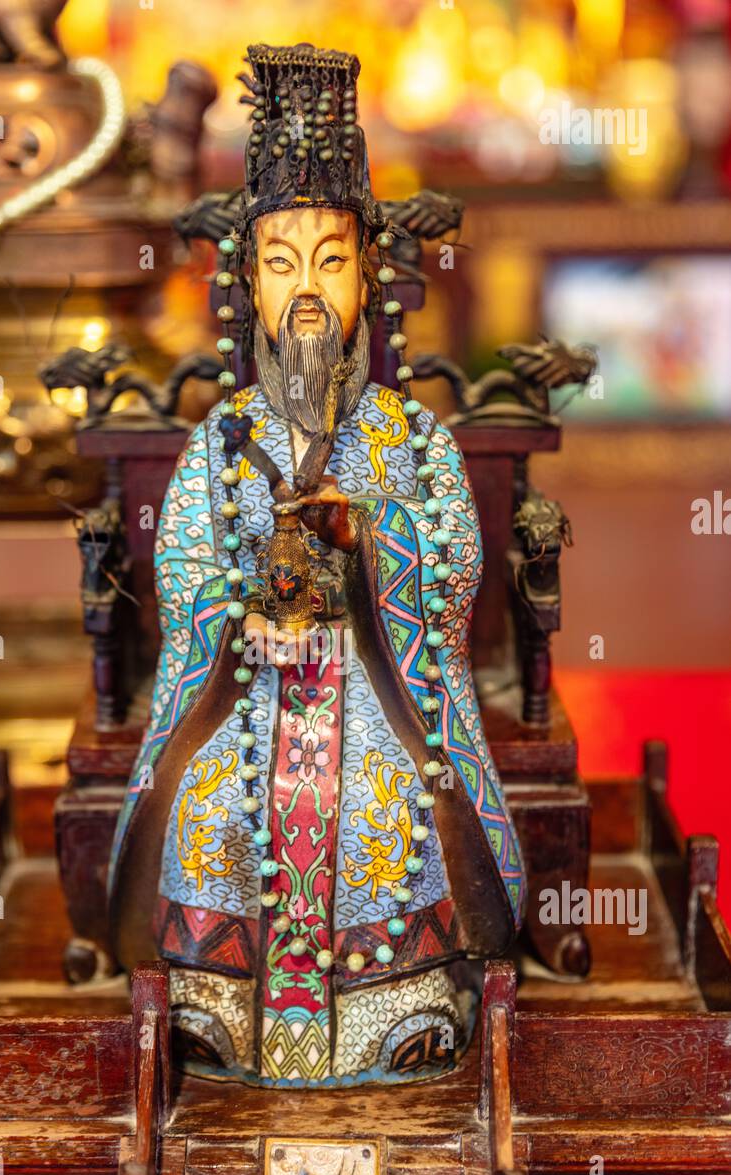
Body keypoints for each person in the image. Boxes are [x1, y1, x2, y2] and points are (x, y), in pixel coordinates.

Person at [109, 43, 524, 1087]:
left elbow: (456, 574)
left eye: (330, 261)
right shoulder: (221, 435)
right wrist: (240, 608)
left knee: (384, 798)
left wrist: (369, 540)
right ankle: (214, 1000)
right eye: (282, 262)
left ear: (367, 275)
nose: (306, 289)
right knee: (210, 802)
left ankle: (402, 995)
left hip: (376, 687)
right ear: (247, 280)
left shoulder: (410, 437)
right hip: (243, 688)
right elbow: (185, 571)